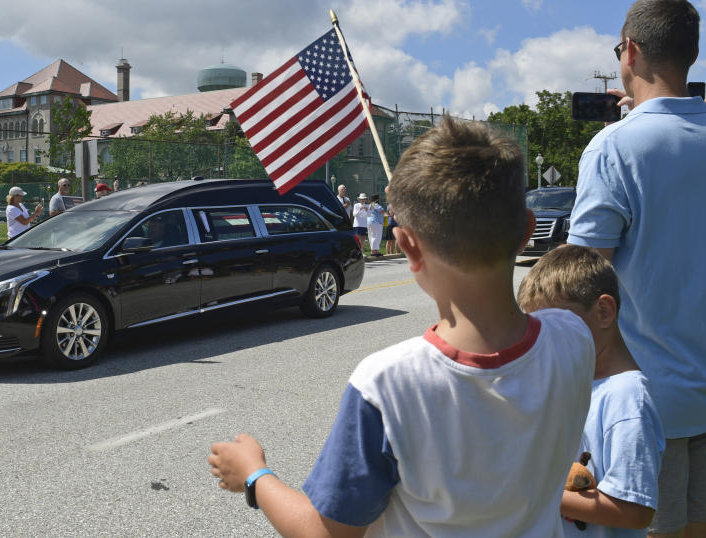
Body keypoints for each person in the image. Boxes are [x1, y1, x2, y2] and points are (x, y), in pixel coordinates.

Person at [208, 117, 595, 536]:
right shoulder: (574, 335)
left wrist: (253, 475)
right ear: (527, 229)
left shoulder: (386, 385)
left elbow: (325, 533)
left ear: (407, 246)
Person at [567, 3, 706, 535]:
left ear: (631, 51)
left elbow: (579, 283)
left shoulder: (615, 148)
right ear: (691, 55)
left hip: (646, 411)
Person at [518, 245, 665, 536]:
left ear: (603, 311)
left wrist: (533, 497)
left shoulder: (625, 398)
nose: (542, 338)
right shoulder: (575, 379)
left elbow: (635, 511)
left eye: (555, 324)